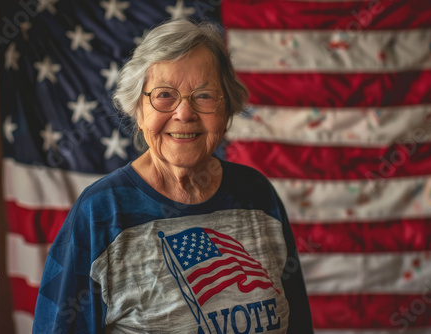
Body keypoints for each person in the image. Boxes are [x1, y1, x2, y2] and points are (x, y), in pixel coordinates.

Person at [33, 19, 312, 334]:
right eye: (165, 95)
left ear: (227, 108)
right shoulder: (100, 214)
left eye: (204, 95)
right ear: (139, 110)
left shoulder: (258, 195)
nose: (184, 113)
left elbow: (299, 324)